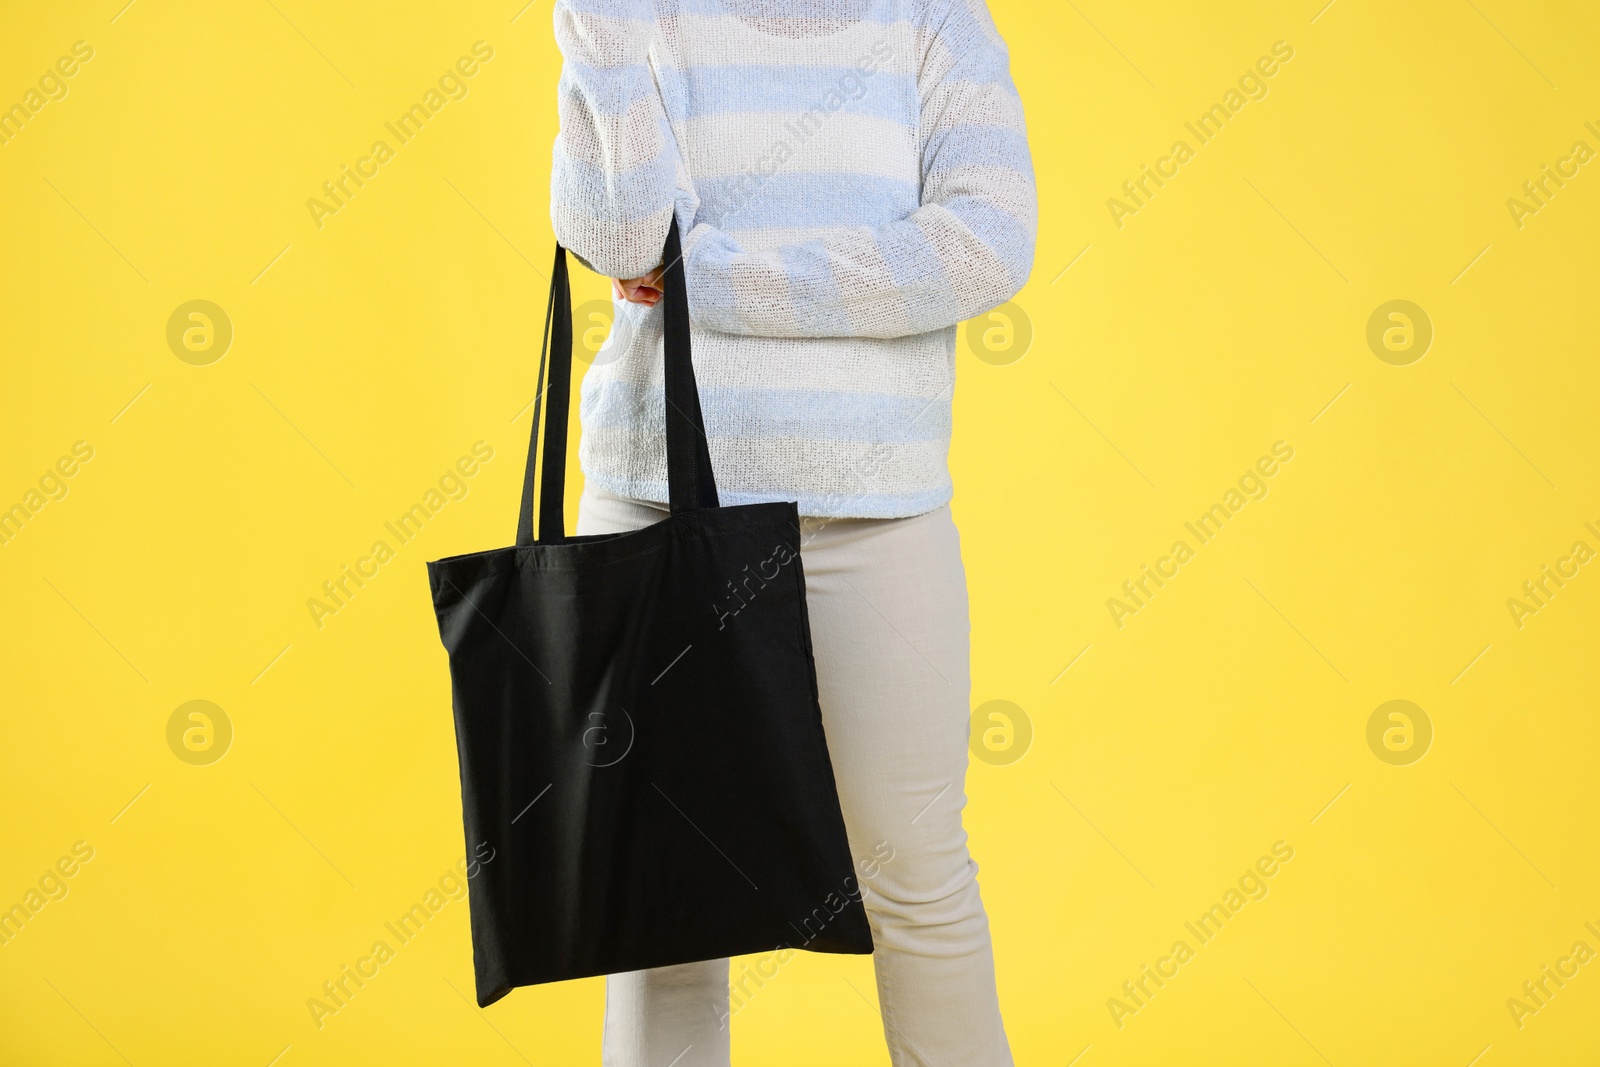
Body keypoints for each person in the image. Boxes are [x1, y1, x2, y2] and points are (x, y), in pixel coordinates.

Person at [550, 0, 1036, 1063]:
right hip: (657, 503)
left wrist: (714, 273)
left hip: (874, 514)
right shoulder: (642, 16)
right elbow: (620, 240)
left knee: (913, 868)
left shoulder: (932, 22)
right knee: (663, 888)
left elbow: (985, 243)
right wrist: (602, 40)